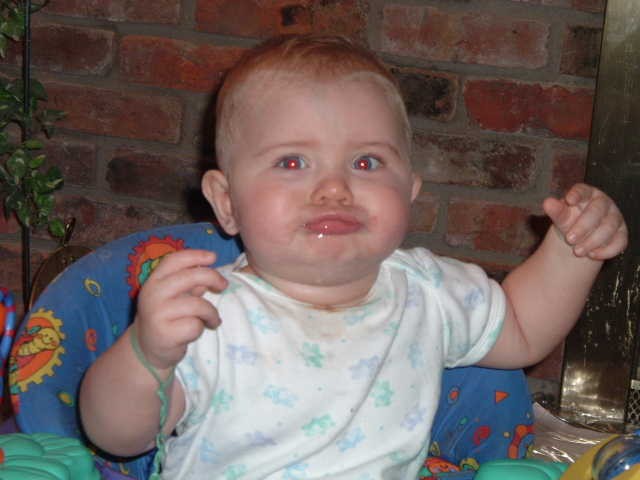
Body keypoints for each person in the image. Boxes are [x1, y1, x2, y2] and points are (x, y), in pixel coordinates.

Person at [79, 35, 628, 479]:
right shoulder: (208, 312)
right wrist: (148, 355)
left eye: (366, 163)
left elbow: (525, 330)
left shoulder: (428, 291)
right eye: (292, 162)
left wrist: (574, 249)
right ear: (227, 202)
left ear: (408, 193)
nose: (334, 188)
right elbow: (117, 435)